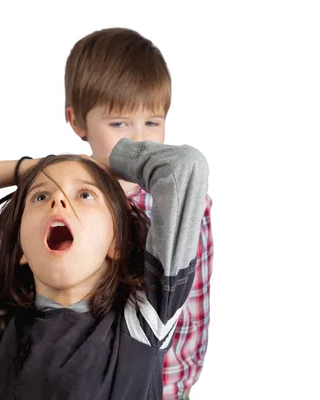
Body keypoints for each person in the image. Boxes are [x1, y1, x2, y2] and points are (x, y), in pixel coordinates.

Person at [0, 136, 208, 399]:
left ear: (117, 242)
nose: (58, 200)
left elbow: (183, 168)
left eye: (85, 194)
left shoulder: (143, 317)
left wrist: (104, 162)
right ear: (22, 251)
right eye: (40, 195)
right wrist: (25, 169)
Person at [64, 27, 214, 399]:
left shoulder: (189, 205)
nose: (140, 140)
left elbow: (193, 308)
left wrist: (175, 389)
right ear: (77, 122)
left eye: (153, 122)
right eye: (119, 124)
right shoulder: (60, 201)